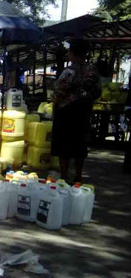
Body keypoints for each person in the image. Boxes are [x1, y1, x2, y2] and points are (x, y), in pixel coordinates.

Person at [52, 39, 101, 183]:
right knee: (79, 144)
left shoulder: (69, 71)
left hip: (66, 112)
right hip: (84, 112)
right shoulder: (93, 71)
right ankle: (78, 175)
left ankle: (64, 176)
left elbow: (59, 92)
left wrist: (56, 105)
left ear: (72, 53)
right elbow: (98, 92)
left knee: (63, 145)